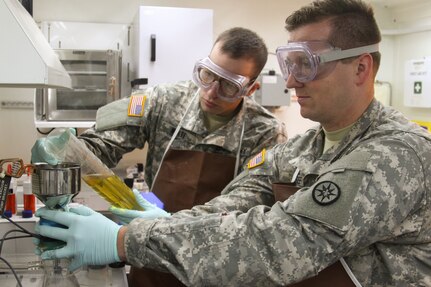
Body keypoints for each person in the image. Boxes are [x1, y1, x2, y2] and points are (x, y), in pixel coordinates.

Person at [34, 0, 431, 286]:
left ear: (361, 67)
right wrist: (165, 223)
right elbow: (234, 203)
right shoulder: (303, 148)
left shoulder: (396, 153)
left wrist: (124, 240)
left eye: (306, 64)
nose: (291, 81)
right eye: (289, 63)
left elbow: (279, 240)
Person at [31, 27, 287, 286]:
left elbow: (249, 200)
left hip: (214, 260)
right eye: (208, 74)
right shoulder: (163, 100)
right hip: (149, 250)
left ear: (251, 88)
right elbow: (105, 142)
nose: (211, 91)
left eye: (229, 86)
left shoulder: (265, 131)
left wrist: (175, 227)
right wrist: (69, 154)